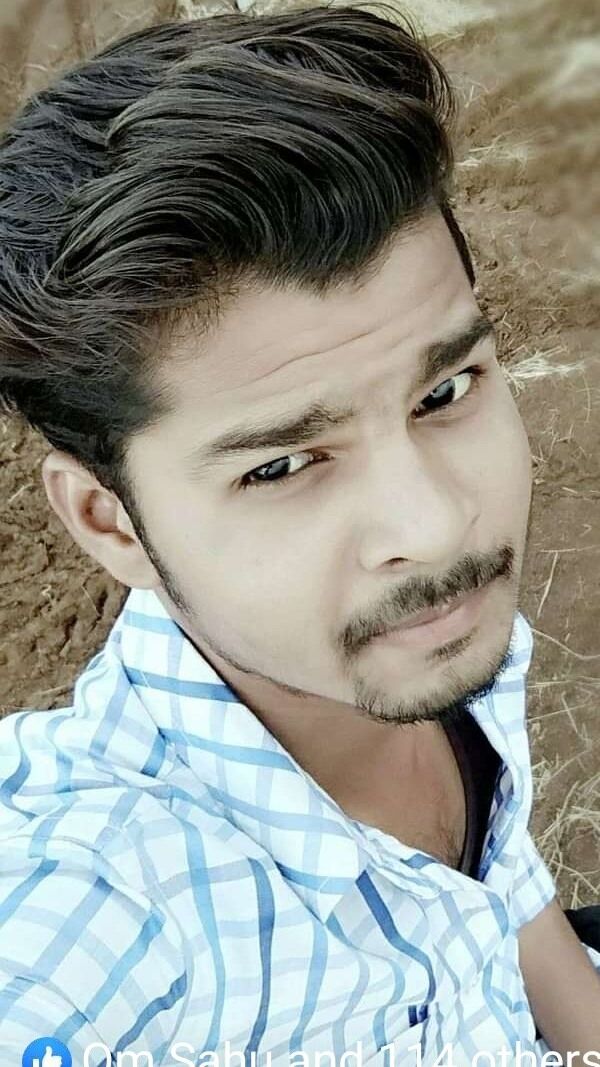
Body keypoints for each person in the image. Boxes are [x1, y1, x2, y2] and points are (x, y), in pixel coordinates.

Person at [0, 4, 598, 1064]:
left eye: (445, 391)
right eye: (281, 465)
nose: (435, 525)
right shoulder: (94, 911)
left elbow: (501, 895)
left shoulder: (430, 637)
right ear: (108, 520)